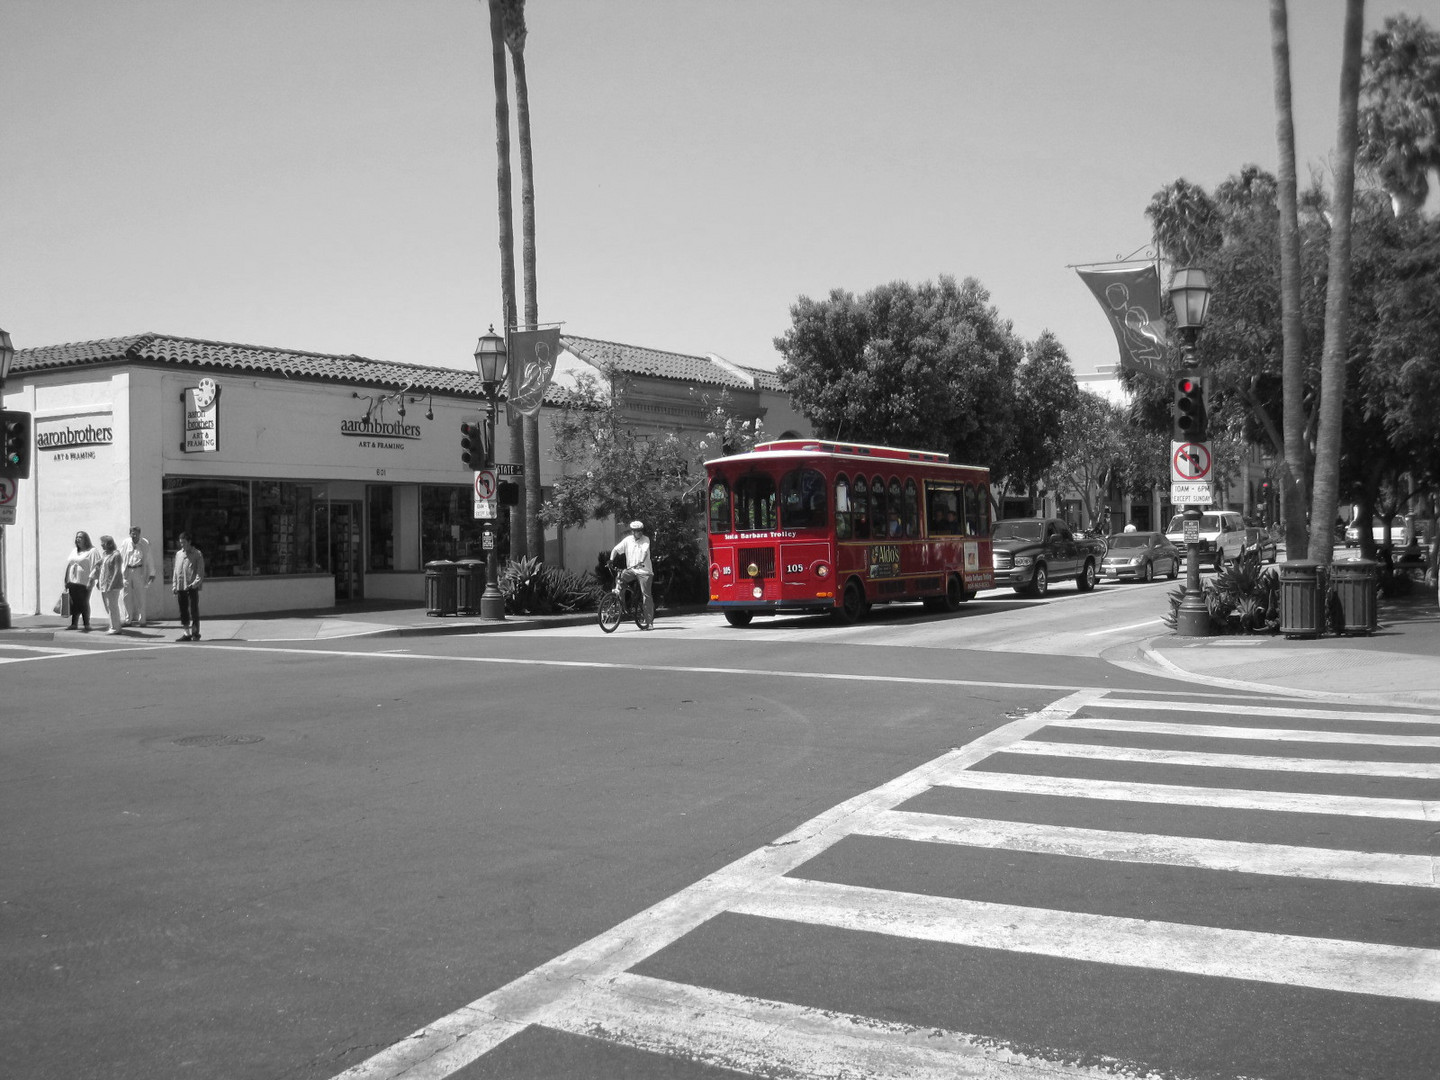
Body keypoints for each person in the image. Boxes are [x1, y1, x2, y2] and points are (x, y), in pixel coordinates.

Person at [609, 519, 655, 629]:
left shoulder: (645, 540)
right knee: (620, 578)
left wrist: (641, 562)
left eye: (641, 530)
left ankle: (649, 622)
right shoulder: (628, 540)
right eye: (637, 531)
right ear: (632, 532)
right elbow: (616, 549)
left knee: (646, 595)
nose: (640, 532)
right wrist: (611, 560)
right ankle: (622, 605)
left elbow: (644, 552)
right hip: (632, 570)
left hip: (645, 571)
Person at [118, 524, 157, 626]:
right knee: (126, 597)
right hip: (127, 571)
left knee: (141, 596)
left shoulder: (144, 543)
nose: (133, 536)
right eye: (132, 533)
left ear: (139, 534)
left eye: (135, 534)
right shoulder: (126, 542)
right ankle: (128, 619)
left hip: (139, 571)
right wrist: (118, 571)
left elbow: (149, 558)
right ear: (130, 533)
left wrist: (152, 573)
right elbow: (120, 556)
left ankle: (142, 620)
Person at [63, 531, 100, 632]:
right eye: (77, 537)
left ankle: (86, 624)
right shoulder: (74, 551)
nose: (78, 539)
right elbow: (70, 564)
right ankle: (74, 624)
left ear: (86, 539)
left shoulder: (92, 551)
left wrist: (91, 580)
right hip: (72, 581)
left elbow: (96, 566)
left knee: (83, 602)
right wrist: (66, 579)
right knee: (74, 603)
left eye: (81, 537)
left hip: (84, 581)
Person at [172, 532, 206, 641]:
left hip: (191, 587)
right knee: (183, 611)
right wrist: (174, 585)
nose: (182, 545)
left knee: (194, 611)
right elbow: (176, 572)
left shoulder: (197, 554)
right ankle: (186, 633)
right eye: (180, 543)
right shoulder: (178, 554)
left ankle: (195, 633)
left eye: (184, 542)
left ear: (189, 542)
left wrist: (194, 584)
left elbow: (200, 572)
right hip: (181, 587)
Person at [91, 535, 126, 634]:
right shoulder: (105, 554)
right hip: (104, 583)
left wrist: (112, 584)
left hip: (113, 585)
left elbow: (117, 571)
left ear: (109, 543)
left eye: (103, 542)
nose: (101, 545)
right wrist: (98, 580)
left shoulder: (116, 555)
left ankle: (115, 627)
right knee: (108, 606)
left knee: (112, 606)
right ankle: (113, 625)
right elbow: (101, 565)